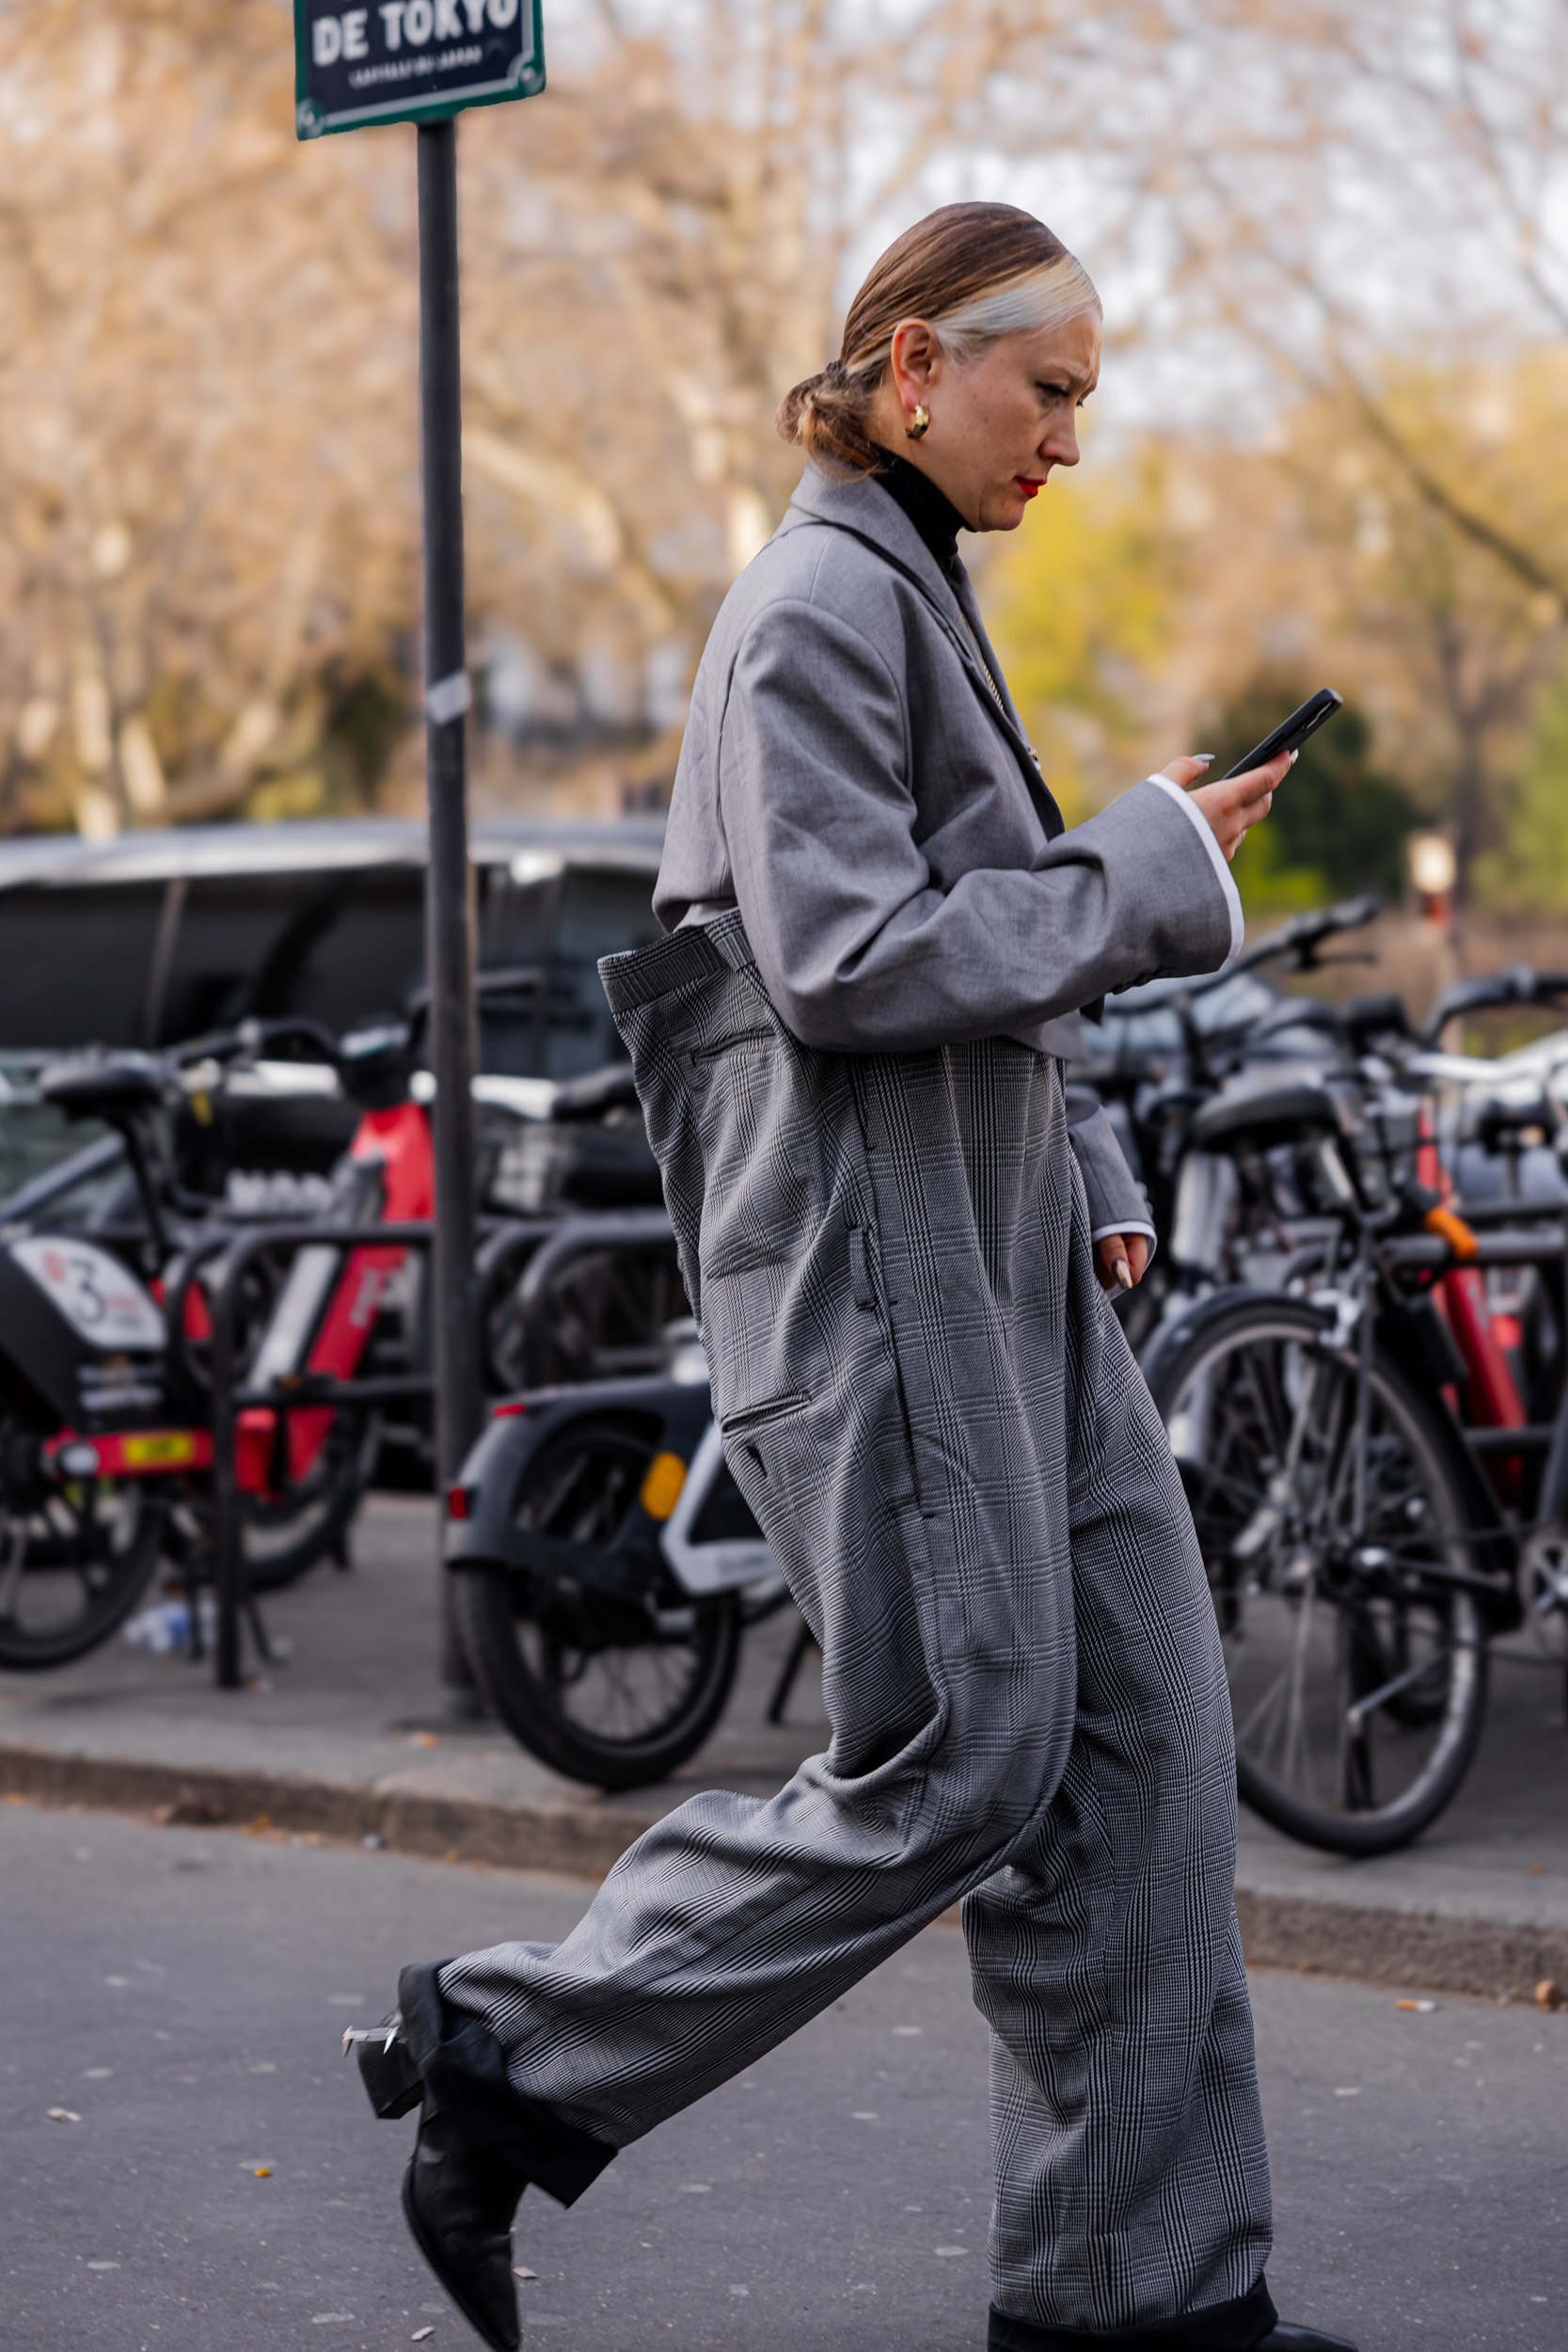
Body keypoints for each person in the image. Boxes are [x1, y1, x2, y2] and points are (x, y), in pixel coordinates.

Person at [350, 202, 1354, 2352]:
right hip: (883, 1264)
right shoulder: (818, 599)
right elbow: (846, 958)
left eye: (1084, 396)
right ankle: (510, 2054)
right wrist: (1152, 868)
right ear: (912, 367)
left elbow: (971, 938)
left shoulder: (911, 595)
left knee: (1158, 1740)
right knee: (974, 1747)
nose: (1069, 439)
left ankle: (1145, 2300)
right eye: (1046, 388)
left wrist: (1077, 1152)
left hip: (1000, 1250)